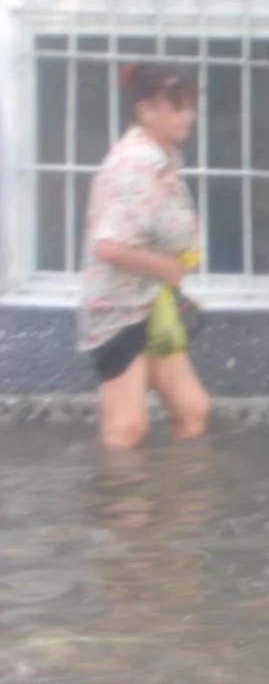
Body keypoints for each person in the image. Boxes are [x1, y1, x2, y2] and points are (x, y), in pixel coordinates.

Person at [77, 63, 211, 450]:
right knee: (127, 428)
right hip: (117, 310)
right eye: (178, 107)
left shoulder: (163, 157)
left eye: (190, 106)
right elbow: (109, 246)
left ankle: (175, 488)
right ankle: (120, 490)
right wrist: (167, 267)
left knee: (191, 410)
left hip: (150, 301)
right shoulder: (135, 164)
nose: (189, 115)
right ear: (146, 111)